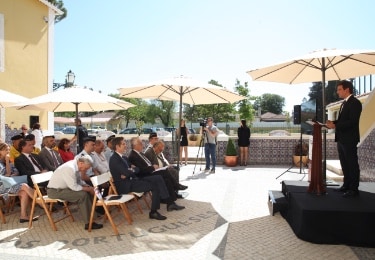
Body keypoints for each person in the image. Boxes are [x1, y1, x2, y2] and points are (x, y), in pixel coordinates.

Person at [109, 137, 170, 220]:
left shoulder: (123, 157)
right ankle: (154, 212)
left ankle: (165, 200)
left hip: (132, 180)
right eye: (123, 144)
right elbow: (128, 172)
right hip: (125, 186)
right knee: (154, 186)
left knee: (156, 179)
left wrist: (130, 171)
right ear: (117, 146)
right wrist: (130, 171)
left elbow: (136, 169)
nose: (125, 145)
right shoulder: (114, 159)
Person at [326, 80, 362, 198]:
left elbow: (352, 122)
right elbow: (343, 121)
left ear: (347, 89)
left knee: (352, 164)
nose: (337, 92)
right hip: (341, 138)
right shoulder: (344, 103)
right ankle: (346, 185)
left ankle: (354, 189)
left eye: (339, 89)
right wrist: (333, 123)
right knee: (344, 164)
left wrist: (335, 125)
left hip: (350, 139)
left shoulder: (355, 103)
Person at [47, 154, 103, 230]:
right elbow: (74, 187)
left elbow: (79, 181)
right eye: (86, 168)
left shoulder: (75, 166)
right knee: (82, 195)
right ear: (81, 163)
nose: (85, 170)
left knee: (86, 191)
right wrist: (88, 189)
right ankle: (89, 223)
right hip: (55, 191)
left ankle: (92, 215)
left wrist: (89, 187)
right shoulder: (70, 168)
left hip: (64, 189)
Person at [128, 137, 185, 211]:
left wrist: (153, 167)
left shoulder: (140, 153)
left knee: (166, 179)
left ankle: (171, 203)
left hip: (150, 172)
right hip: (145, 176)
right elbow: (140, 171)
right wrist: (153, 167)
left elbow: (147, 164)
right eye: (141, 143)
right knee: (164, 173)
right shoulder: (133, 156)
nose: (143, 145)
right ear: (135, 145)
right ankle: (176, 186)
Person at [0, 142, 37, 223]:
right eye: (6, 150)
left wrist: (10, 174)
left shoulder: (9, 161)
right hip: (2, 186)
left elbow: (16, 172)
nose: (8, 151)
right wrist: (7, 164)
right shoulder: (3, 162)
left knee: (24, 192)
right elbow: (7, 174)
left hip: (11, 183)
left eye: (9, 150)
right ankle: (41, 202)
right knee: (24, 186)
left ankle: (23, 216)